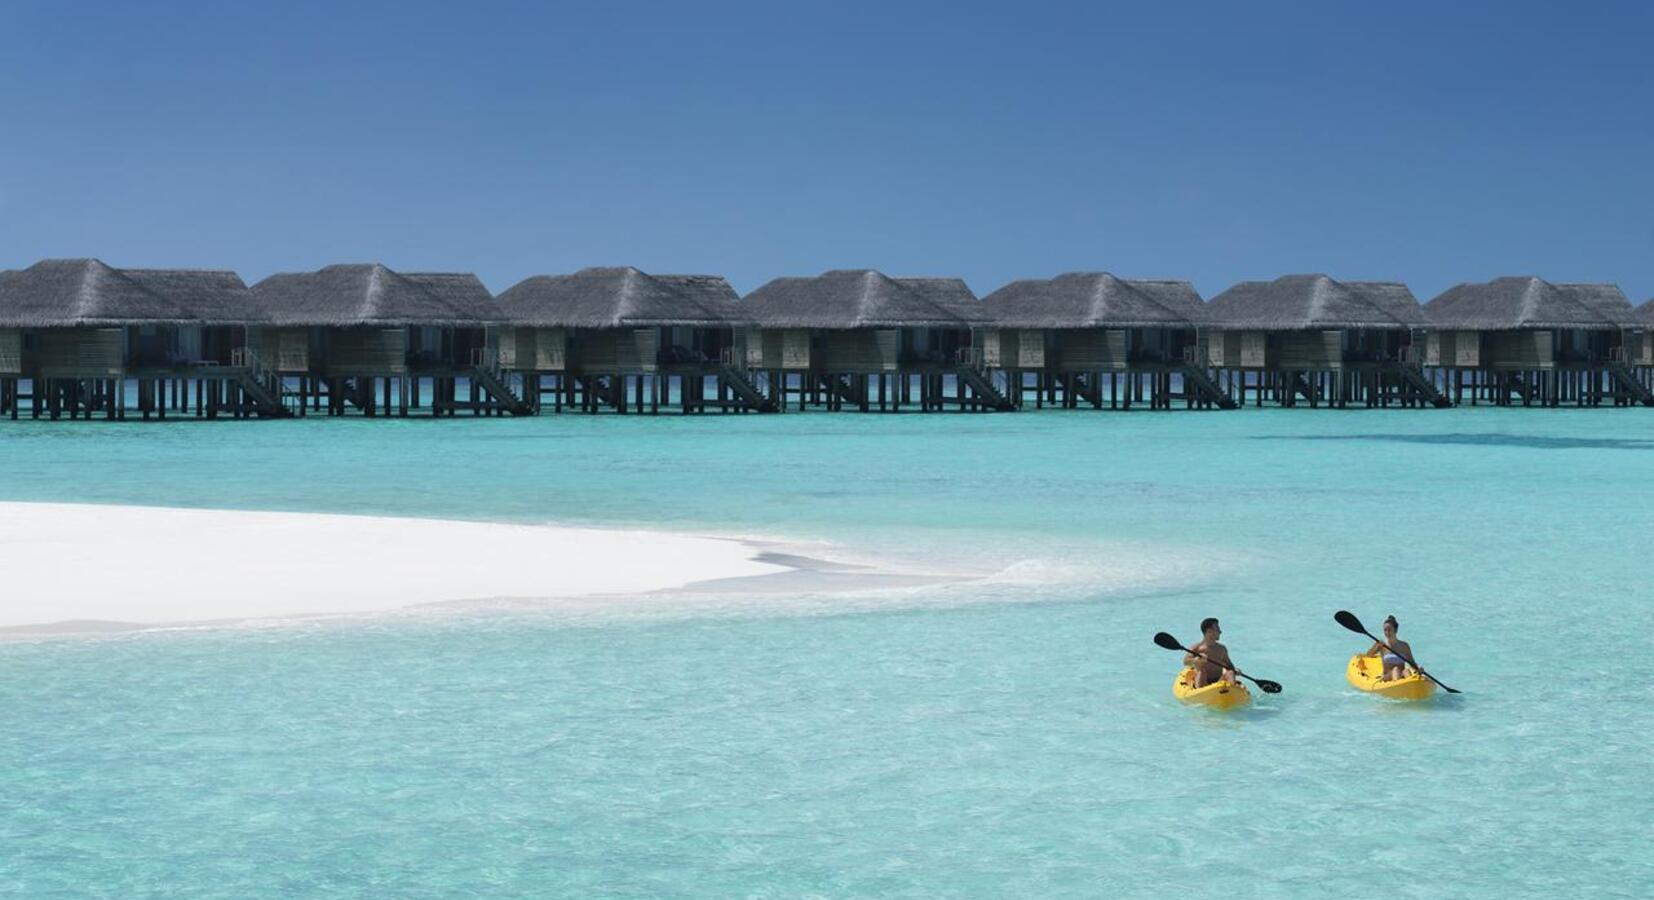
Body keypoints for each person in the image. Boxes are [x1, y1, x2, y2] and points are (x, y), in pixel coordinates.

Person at [1183, 617, 1235, 688]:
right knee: (1202, 673)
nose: (1220, 632)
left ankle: (1232, 693)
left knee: (1230, 673)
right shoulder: (1197, 648)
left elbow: (1229, 666)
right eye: (1217, 629)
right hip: (1203, 682)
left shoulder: (1222, 649)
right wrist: (1196, 660)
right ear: (1209, 631)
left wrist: (1235, 670)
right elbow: (1185, 661)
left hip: (1218, 681)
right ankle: (1200, 693)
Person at [1363, 615, 1415, 681]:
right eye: (1385, 630)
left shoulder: (1404, 646)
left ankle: (1410, 686)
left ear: (1395, 630)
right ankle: (1397, 686)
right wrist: (1376, 647)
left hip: (1402, 676)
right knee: (1395, 669)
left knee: (1406, 671)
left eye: (1389, 630)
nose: (1387, 632)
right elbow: (1368, 655)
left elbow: (1412, 663)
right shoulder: (1381, 644)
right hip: (1387, 676)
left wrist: (1419, 669)